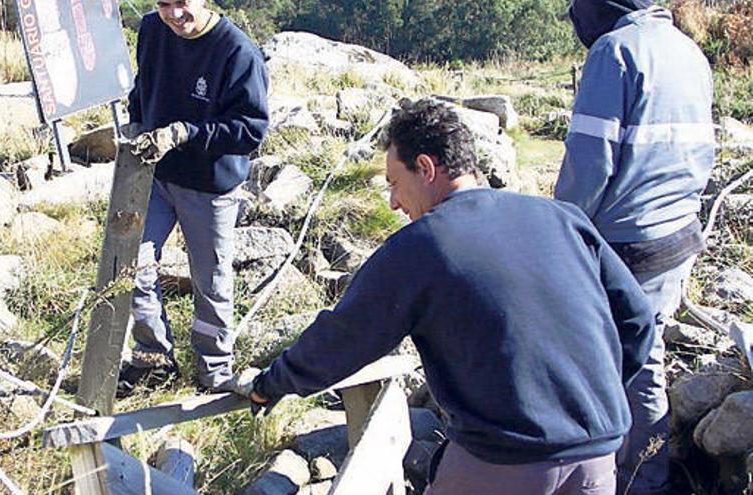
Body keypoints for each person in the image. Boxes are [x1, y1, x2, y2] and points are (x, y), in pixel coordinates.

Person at [240, 98, 655, 495]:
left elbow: (344, 338)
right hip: (599, 456)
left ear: (425, 167)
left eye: (394, 183)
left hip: (501, 461)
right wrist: (601, 395)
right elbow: (637, 320)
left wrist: (271, 384)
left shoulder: (421, 246)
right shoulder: (562, 218)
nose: (393, 201)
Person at [557, 1, 715, 492]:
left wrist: (559, 231)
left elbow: (589, 165)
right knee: (648, 352)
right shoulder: (688, 51)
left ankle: (635, 479)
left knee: (616, 364)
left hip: (628, 245)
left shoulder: (614, 51)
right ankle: (644, 472)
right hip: (677, 233)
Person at [118, 0, 269, 393]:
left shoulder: (236, 51)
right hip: (157, 174)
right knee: (131, 263)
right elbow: (143, 84)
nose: (174, 15)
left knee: (211, 281)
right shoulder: (152, 31)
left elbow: (250, 129)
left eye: (182, 3)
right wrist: (137, 121)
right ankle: (153, 360)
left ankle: (213, 369)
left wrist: (187, 133)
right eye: (164, 4)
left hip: (209, 185)